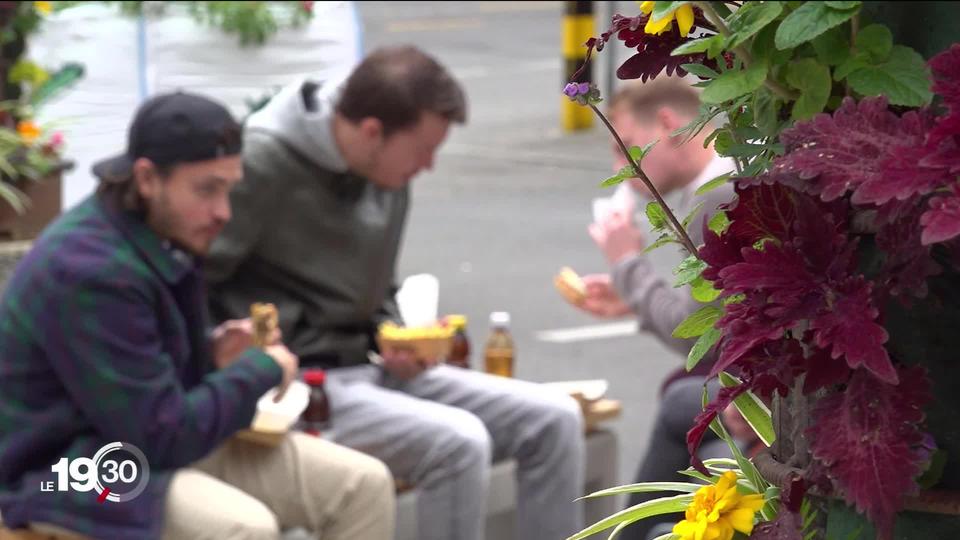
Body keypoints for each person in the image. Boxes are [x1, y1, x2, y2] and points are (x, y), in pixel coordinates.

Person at [204, 45, 585, 540]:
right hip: (304, 382)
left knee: (556, 419)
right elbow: (198, 276)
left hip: (371, 366)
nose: (427, 165)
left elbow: (373, 285)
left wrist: (396, 334)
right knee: (458, 443)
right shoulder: (264, 164)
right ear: (370, 132)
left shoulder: (384, 168)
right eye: (423, 149)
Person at [0, 92, 395, 540]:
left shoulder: (158, 229)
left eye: (229, 188)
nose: (223, 212)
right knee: (243, 529)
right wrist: (260, 368)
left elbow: (146, 391)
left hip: (133, 443)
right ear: (148, 178)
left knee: (363, 485)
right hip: (56, 474)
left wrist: (210, 354)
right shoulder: (91, 269)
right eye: (207, 189)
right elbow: (163, 434)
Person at [563, 76, 756, 540]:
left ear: (667, 123)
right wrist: (634, 304)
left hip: (760, 396)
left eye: (626, 147)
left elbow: (696, 333)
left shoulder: (716, 197)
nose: (620, 167)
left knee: (678, 402)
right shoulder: (724, 181)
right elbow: (715, 315)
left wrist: (627, 264)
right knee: (678, 402)